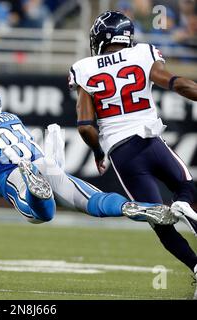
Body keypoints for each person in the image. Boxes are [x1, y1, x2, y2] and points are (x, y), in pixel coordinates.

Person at [0, 81, 176, 227]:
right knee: (94, 201)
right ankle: (142, 207)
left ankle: (36, 192)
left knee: (42, 215)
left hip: (15, 177)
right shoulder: (10, 117)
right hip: (42, 163)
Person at [68, 10, 197, 291]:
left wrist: (98, 152)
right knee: (186, 186)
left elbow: (85, 127)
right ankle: (183, 203)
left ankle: (196, 265)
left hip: (122, 152)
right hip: (152, 142)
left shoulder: (84, 67)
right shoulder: (143, 53)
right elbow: (180, 84)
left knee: (159, 223)